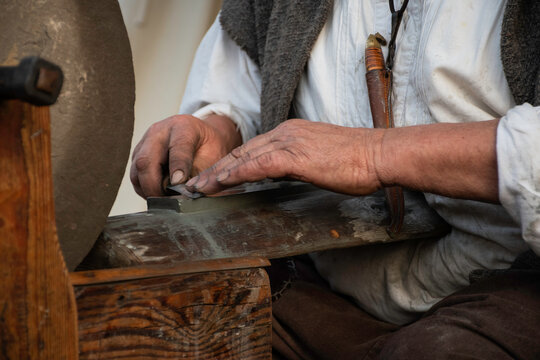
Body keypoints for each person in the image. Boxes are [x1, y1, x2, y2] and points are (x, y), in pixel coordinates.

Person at [130, 0, 540, 358]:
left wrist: (373, 154)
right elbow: (242, 86)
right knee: (161, 317)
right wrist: (220, 128)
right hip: (323, 284)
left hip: (510, 284)